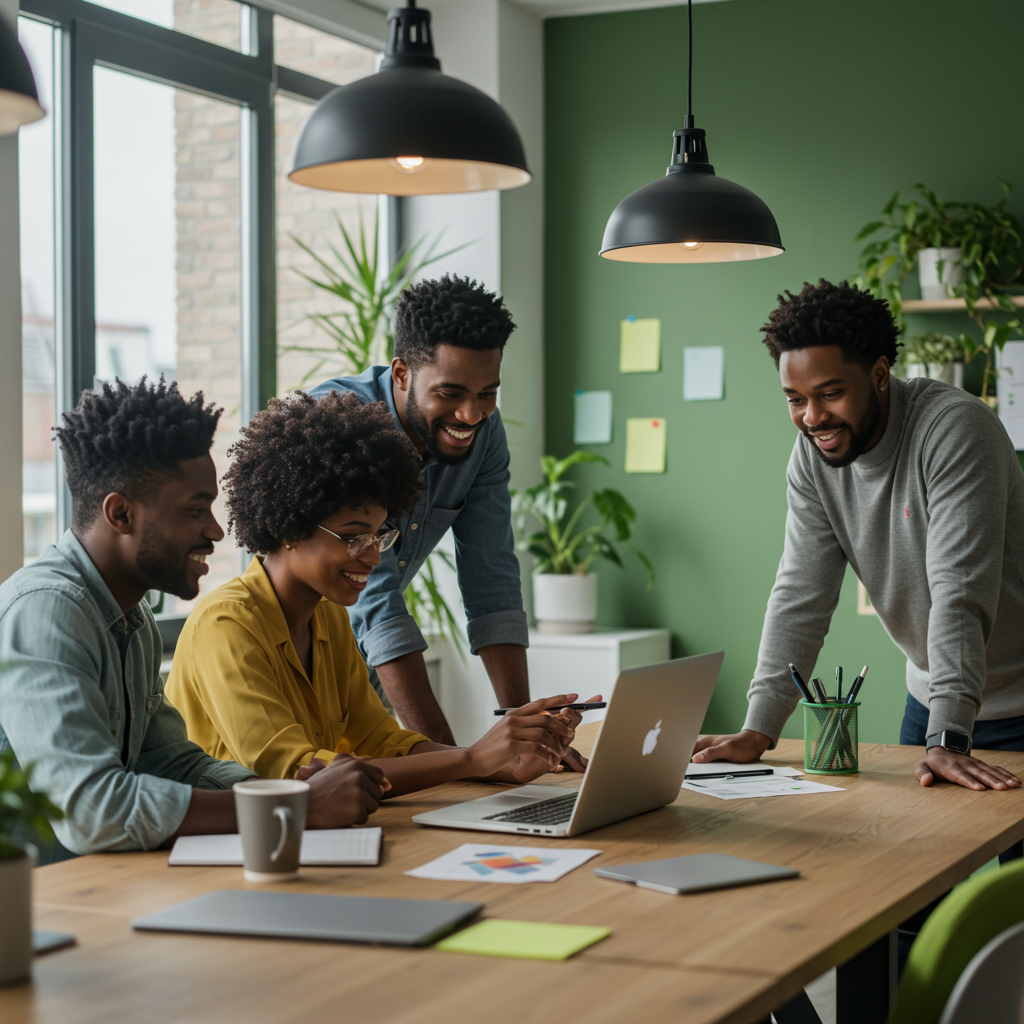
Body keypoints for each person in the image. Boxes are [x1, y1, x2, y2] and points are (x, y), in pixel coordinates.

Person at [0, 378, 387, 860]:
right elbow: (90, 812)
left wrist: (274, 793)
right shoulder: (47, 611)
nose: (216, 531)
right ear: (121, 514)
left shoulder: (132, 615)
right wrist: (295, 808)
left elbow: (169, 761)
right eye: (194, 510)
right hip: (36, 913)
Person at [693, 279, 1024, 799]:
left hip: (1009, 704)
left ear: (879, 373)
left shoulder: (954, 430)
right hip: (933, 701)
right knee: (915, 867)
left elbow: (959, 594)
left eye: (830, 393)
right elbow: (801, 592)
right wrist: (759, 729)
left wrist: (950, 735)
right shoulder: (813, 458)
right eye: (795, 399)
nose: (812, 418)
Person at [166, 391, 586, 794]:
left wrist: (499, 765)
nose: (371, 557)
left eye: (378, 537)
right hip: (228, 853)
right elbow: (293, 773)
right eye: (352, 538)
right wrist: (472, 759)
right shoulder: (226, 625)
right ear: (288, 528)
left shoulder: (327, 617)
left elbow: (383, 740)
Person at [310, 274, 576, 758]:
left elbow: (490, 574)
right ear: (402, 374)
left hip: (363, 679)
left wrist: (529, 738)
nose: (471, 415)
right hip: (295, 668)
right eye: (451, 393)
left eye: (487, 393)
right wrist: (460, 767)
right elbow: (377, 601)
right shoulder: (341, 424)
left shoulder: (482, 435)